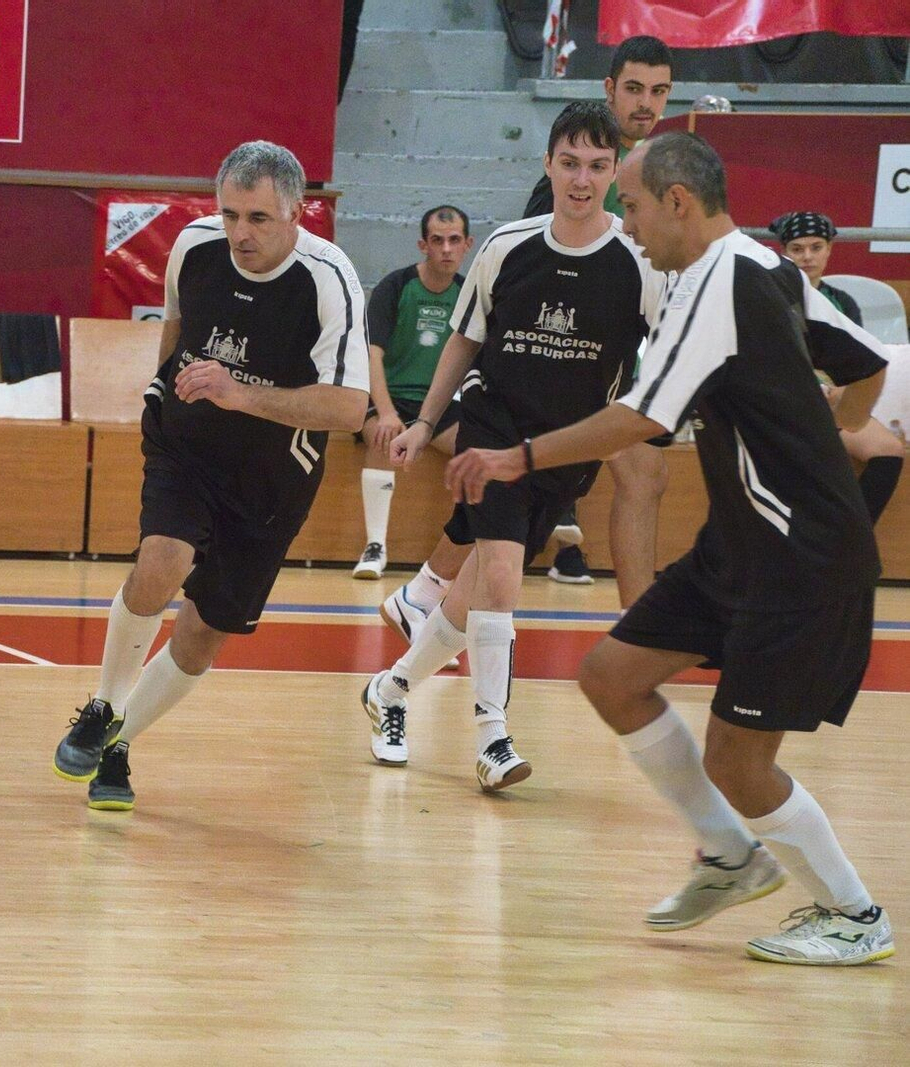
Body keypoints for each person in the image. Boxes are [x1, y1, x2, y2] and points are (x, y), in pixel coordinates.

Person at [449, 132, 894, 965]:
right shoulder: (772, 270)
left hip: (803, 559)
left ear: (679, 202)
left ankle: (856, 913)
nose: (629, 221)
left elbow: (644, 416)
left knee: (738, 756)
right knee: (610, 676)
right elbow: (864, 365)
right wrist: (826, 420)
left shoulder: (720, 284)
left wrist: (517, 455)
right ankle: (729, 854)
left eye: (636, 203)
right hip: (738, 546)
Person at [51, 141, 368, 811]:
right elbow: (176, 327)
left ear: (294, 212)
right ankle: (102, 704)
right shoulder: (194, 246)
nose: (240, 233)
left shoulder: (329, 277)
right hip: (188, 448)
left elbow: (348, 407)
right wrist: (161, 390)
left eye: (257, 218)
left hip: (272, 479)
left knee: (202, 633)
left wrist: (240, 393)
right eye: (230, 214)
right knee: (162, 560)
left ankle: (119, 744)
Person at [362, 102, 666, 787]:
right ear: (548, 164)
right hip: (493, 432)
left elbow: (672, 351)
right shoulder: (507, 247)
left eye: (596, 165)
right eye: (569, 163)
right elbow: (465, 340)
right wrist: (422, 421)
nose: (581, 179)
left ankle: (389, 689)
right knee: (501, 578)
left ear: (615, 170)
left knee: (472, 598)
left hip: (566, 451)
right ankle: (493, 739)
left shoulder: (639, 264)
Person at [523, 34, 675, 592]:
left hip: (617, 357)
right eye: (634, 88)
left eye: (658, 91)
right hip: (562, 356)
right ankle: (433, 604)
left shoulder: (655, 169)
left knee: (645, 475)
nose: (646, 104)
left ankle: (431, 606)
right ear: (609, 89)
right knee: (515, 510)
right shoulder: (576, 175)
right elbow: (534, 266)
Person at [351, 205, 473, 581]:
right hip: (388, 398)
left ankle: (466, 548)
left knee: (479, 451)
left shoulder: (469, 294)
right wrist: (385, 412)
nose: (446, 249)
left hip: (436, 407)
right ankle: (375, 547)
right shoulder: (396, 286)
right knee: (385, 437)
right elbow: (372, 353)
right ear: (423, 244)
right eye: (438, 240)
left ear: (468, 244)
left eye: (455, 240)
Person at [771, 210, 904, 524]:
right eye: (797, 248)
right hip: (787, 404)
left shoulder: (843, 302)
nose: (807, 256)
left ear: (829, 249)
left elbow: (861, 364)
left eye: (816, 247)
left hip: (837, 404)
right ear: (784, 253)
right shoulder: (771, 296)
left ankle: (854, 539)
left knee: (888, 449)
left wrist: (841, 395)